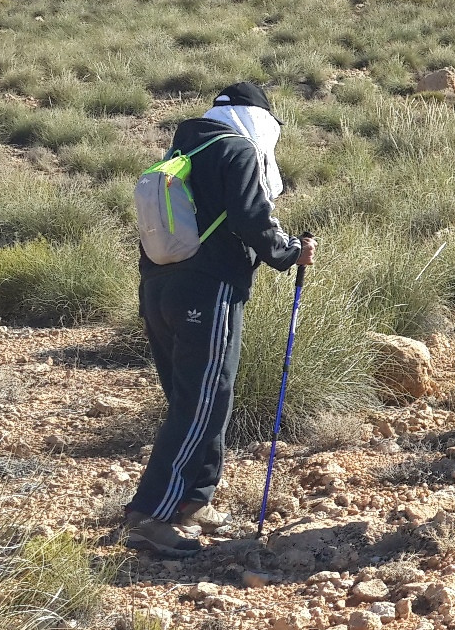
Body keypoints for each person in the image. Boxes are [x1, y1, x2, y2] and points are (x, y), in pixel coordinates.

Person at [125, 82, 316, 557]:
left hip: (158, 288)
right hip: (208, 292)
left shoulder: (182, 150)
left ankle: (195, 499)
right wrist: (292, 252)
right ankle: (152, 515)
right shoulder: (236, 150)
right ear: (259, 119)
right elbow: (253, 219)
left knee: (197, 397)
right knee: (202, 401)